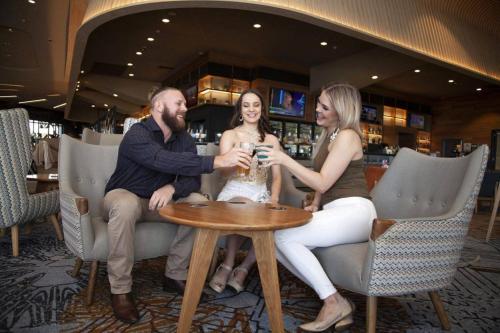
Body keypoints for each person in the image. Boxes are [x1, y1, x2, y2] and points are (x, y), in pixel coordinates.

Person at [103, 86, 252, 324]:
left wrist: (172, 188)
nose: (185, 108)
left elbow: (192, 179)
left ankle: (174, 275)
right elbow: (159, 159)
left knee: (199, 204)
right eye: (179, 103)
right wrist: (218, 160)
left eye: (185, 104)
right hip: (124, 195)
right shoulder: (137, 134)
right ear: (159, 106)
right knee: (125, 204)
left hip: (158, 202)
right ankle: (120, 290)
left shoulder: (183, 138)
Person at [260, 83, 376, 332]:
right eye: (319, 104)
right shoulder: (329, 136)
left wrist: (284, 159)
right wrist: (314, 203)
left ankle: (332, 302)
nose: (317, 110)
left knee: (283, 236)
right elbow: (324, 181)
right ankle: (337, 301)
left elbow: (323, 180)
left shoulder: (347, 135)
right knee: (273, 242)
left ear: (342, 111)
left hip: (356, 211)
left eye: (325, 107)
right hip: (337, 210)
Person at [208, 89, 282, 294]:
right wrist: (237, 161)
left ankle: (244, 268)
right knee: (242, 206)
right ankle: (228, 264)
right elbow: (222, 173)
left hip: (261, 192)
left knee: (275, 221)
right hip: (235, 189)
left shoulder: (271, 140)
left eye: (256, 105)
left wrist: (274, 199)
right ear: (240, 110)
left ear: (262, 109)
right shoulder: (230, 135)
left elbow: (276, 177)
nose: (251, 109)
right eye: (246, 105)